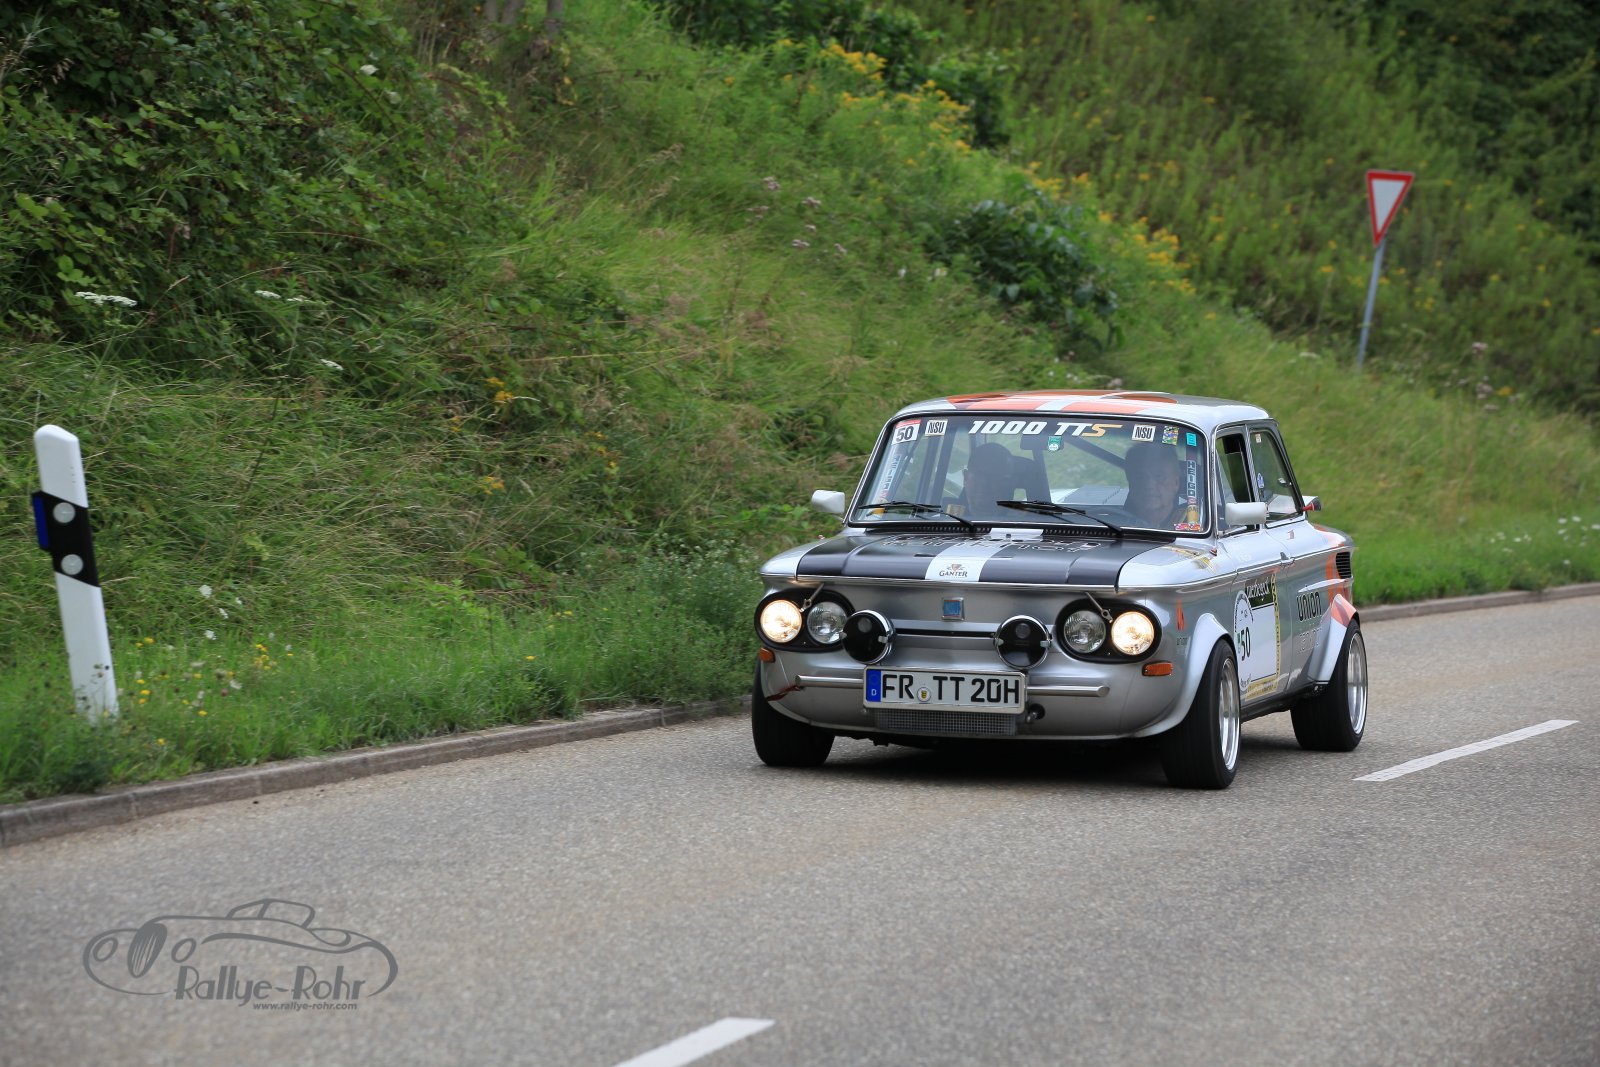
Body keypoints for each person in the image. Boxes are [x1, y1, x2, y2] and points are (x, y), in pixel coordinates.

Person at [1123, 442, 1188, 528]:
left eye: (1159, 477)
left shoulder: (1193, 525)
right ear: (1130, 483)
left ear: (1176, 483)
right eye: (1140, 477)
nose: (1149, 485)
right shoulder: (1111, 523)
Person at [958, 442, 1017, 518]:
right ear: (965, 477)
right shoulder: (945, 516)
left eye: (993, 476)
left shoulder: (1025, 521)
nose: (984, 482)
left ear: (1008, 483)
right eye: (978, 475)